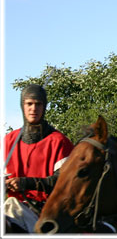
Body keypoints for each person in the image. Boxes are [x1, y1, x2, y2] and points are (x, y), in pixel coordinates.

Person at [4, 84, 74, 232]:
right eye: (29, 104)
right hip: (13, 206)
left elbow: (65, 183)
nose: (33, 109)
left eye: (38, 104)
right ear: (22, 106)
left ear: (44, 107)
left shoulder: (59, 142)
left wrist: (26, 182)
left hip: (46, 213)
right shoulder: (9, 141)